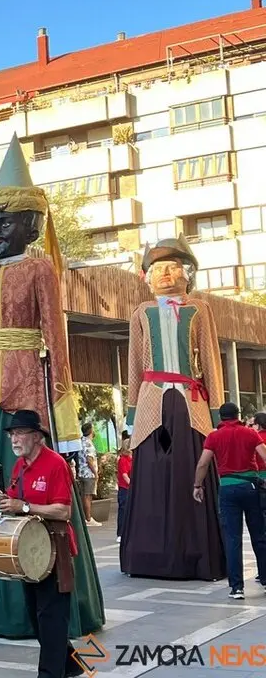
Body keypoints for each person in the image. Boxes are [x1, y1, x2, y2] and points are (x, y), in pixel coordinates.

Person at [0, 136, 105, 639]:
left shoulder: (40, 269)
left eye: (5, 222)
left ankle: (36, 604)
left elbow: (56, 338)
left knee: (29, 481)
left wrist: (63, 406)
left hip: (24, 385)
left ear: (31, 226)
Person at [121, 236, 227, 581]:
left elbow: (210, 360)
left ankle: (197, 555)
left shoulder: (199, 309)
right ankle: (149, 556)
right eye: (157, 268)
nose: (165, 273)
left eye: (172, 266)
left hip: (190, 401)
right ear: (146, 277)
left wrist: (216, 416)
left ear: (187, 272)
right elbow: (135, 365)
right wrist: (133, 417)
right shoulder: (141, 312)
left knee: (191, 469)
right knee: (151, 475)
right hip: (153, 399)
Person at [0, 411, 85, 678]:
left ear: (37, 437)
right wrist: (5, 499)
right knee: (37, 616)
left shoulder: (55, 464)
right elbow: (15, 503)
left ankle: (49, 673)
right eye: (12, 434)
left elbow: (64, 511)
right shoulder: (18, 466)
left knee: (51, 618)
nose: (14, 439)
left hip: (54, 550)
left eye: (20, 433)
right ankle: (71, 665)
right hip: (29, 550)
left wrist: (24, 506)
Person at [192, 402, 266, 599]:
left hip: (227, 489)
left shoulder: (214, 436)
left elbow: (203, 464)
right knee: (259, 535)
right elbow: (264, 455)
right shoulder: (250, 433)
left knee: (233, 539)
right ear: (238, 415)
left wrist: (197, 486)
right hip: (250, 487)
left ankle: (237, 588)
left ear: (220, 418)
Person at [78, 423, 100, 527]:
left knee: (84, 496)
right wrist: (95, 473)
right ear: (91, 430)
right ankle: (88, 518)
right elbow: (89, 459)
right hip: (88, 473)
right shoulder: (88, 443)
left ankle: (86, 517)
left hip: (82, 472)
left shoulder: (81, 441)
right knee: (88, 496)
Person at [116, 440, 132, 544]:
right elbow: (124, 475)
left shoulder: (132, 459)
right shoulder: (123, 460)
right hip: (125, 489)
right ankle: (120, 533)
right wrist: (132, 485)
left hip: (129, 488)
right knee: (123, 511)